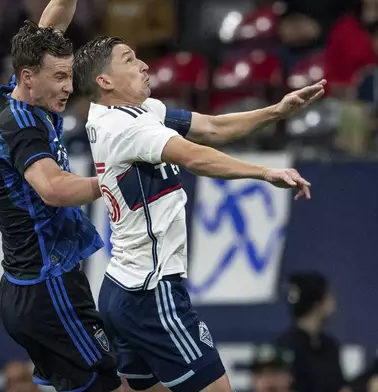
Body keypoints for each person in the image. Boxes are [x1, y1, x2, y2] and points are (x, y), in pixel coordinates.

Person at [72, 35, 325, 391]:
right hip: (152, 291)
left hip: (120, 288)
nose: (144, 65)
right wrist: (264, 172)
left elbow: (212, 127)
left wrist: (277, 111)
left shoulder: (128, 114)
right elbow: (194, 156)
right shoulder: (129, 127)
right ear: (105, 81)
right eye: (129, 60)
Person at [0, 1, 121, 391]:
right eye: (60, 77)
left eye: (69, 74)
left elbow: (51, 24)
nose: (69, 86)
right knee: (111, 380)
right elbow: (54, 188)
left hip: (24, 286)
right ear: (29, 77)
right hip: (49, 287)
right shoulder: (23, 130)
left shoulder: (13, 95)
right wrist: (115, 181)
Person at [276, 273, 346, 392]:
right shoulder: (286, 346)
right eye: (328, 296)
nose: (333, 301)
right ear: (317, 304)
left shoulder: (329, 345)